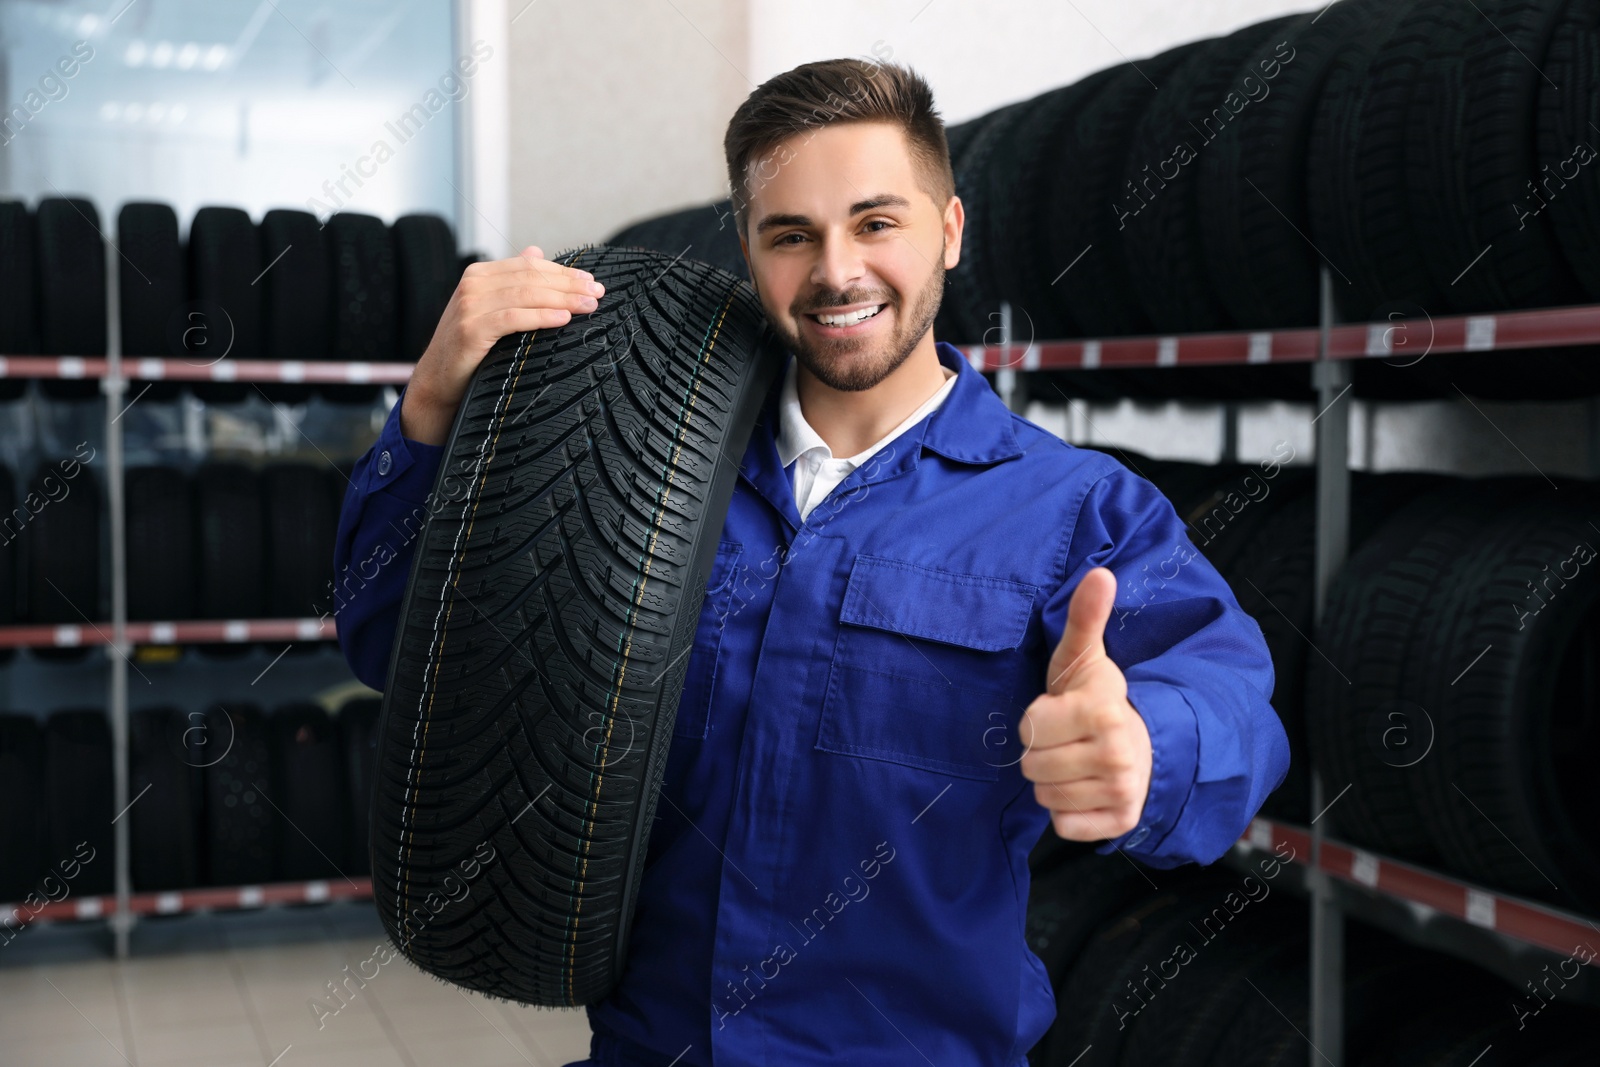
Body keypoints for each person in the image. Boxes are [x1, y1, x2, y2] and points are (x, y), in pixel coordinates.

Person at [332, 56, 1288, 1067]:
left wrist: (1145, 748)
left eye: (877, 222)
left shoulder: (1073, 509)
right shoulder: (640, 478)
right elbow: (398, 644)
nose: (837, 270)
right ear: (748, 250)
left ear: (949, 232)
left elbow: (1237, 715)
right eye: (791, 234)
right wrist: (433, 404)